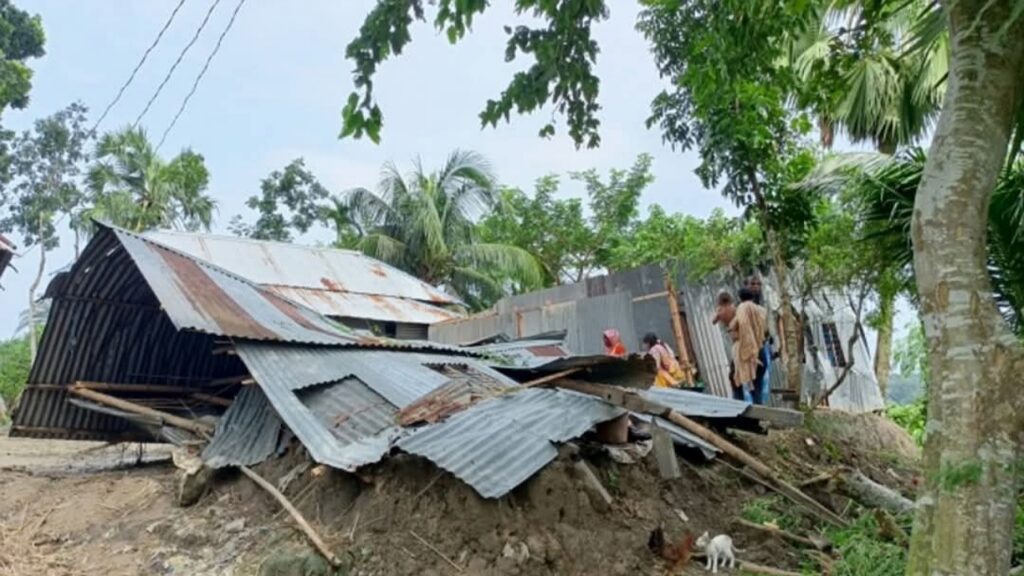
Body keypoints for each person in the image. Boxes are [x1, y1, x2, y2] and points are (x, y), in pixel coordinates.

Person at [729, 287, 767, 403]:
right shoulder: (761, 310)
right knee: (757, 385)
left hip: (746, 352)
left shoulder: (742, 308)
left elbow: (734, 326)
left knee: (736, 380)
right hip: (760, 350)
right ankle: (758, 413)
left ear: (740, 298)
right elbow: (766, 330)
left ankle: (738, 409)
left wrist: (735, 332)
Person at [744, 275, 773, 406]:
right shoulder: (744, 306)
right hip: (748, 347)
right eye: (752, 284)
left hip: (761, 345)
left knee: (759, 378)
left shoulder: (761, 304)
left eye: (758, 284)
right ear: (746, 286)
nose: (756, 287)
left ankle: (758, 406)